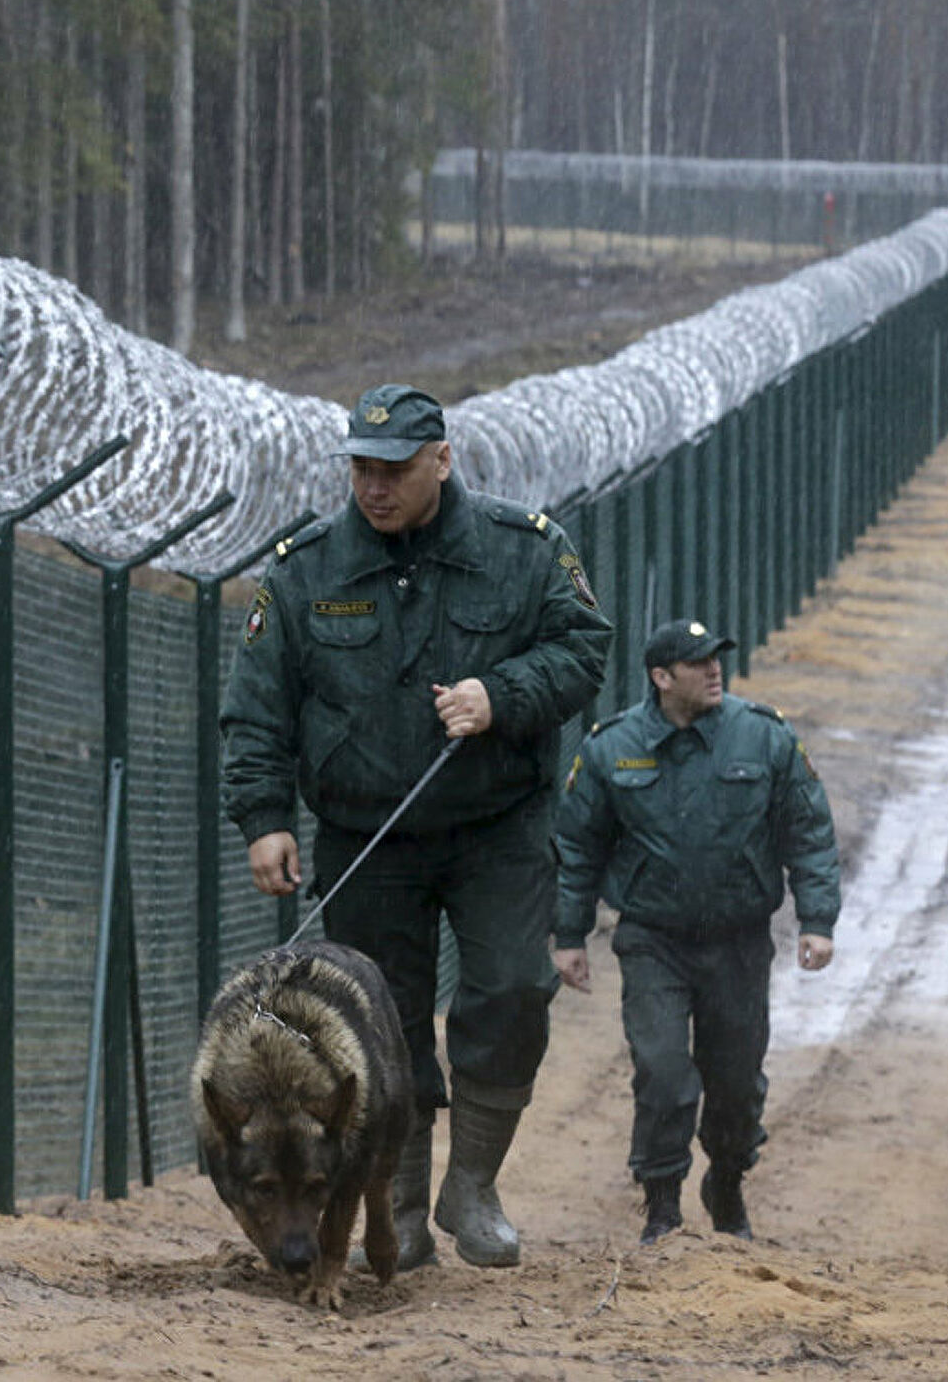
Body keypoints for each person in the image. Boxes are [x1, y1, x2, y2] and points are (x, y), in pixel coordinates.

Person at [220, 383, 613, 1269]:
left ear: (442, 460)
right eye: (362, 468)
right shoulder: (304, 570)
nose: (375, 487)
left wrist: (499, 695)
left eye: (395, 469)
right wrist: (263, 817)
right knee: (376, 1027)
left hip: (496, 826)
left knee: (513, 989)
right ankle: (393, 1202)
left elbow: (584, 648)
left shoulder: (525, 552)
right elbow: (257, 708)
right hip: (365, 837)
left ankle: (473, 1183)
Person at [551, 618, 841, 1246]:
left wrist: (817, 920)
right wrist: (569, 935)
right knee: (662, 1071)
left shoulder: (762, 737)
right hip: (653, 940)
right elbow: (578, 848)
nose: (714, 671)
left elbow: (808, 831)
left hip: (738, 941)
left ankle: (728, 1182)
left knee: (735, 1081)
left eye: (716, 659)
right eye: (697, 663)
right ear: (661, 677)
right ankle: (663, 1207)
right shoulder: (611, 748)